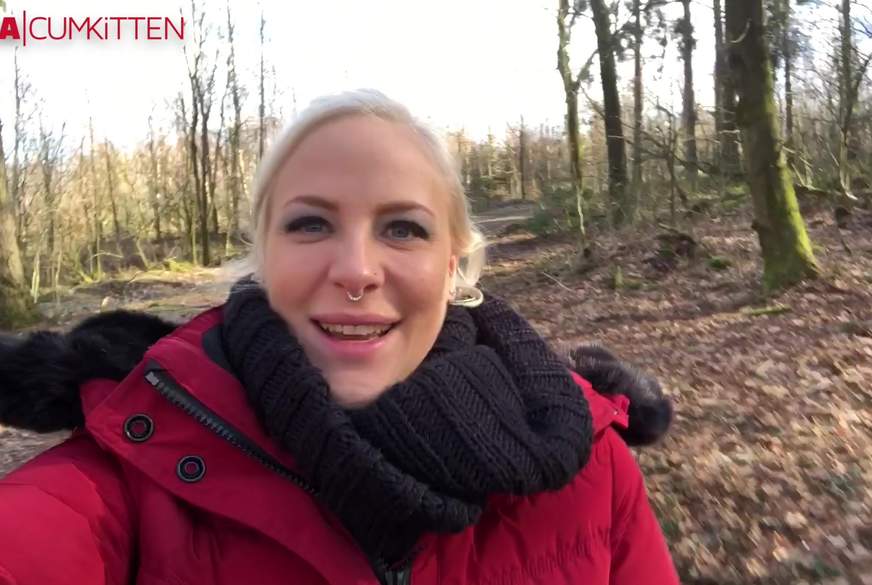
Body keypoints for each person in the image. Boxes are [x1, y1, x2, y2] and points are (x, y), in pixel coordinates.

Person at [0, 90, 679, 585]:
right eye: (311, 225)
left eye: (403, 228)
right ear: (263, 258)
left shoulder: (589, 462)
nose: (356, 271)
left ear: (452, 265)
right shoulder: (135, 467)